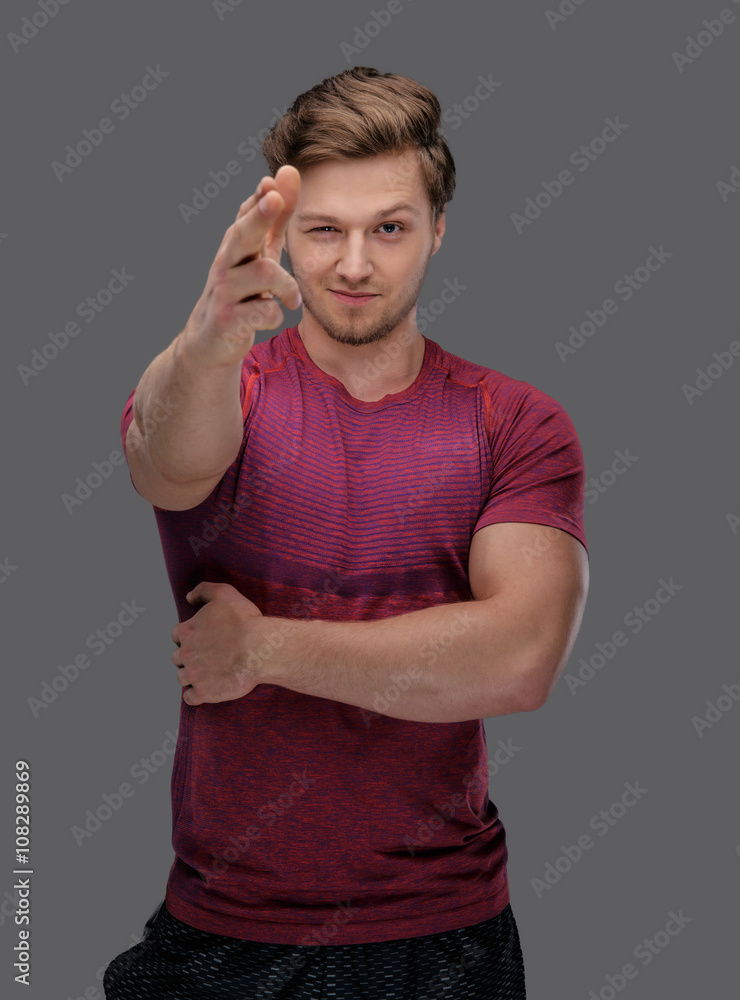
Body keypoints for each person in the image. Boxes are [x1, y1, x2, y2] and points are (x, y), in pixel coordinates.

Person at [103, 66, 589, 1000]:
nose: (355, 265)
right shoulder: (226, 384)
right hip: (219, 933)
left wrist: (265, 650)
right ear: (284, 236)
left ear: (439, 230)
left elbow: (521, 657)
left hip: (443, 939)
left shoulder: (514, 422)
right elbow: (161, 464)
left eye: (390, 229)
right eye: (324, 231)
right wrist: (208, 333)